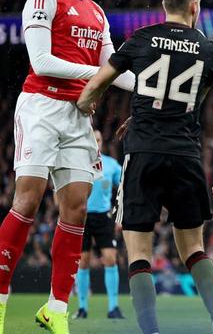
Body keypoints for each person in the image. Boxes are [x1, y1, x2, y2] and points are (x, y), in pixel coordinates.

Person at [76, 0, 213, 334]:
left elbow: (98, 83)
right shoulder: (207, 47)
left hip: (143, 151)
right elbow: (195, 98)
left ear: (164, 4)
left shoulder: (141, 39)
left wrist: (83, 107)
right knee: (194, 249)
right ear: (194, 6)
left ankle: (151, 331)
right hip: (185, 154)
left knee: (139, 255)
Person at [0, 0, 134, 334]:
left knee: (76, 208)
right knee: (27, 201)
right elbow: (42, 61)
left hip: (78, 116)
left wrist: (153, 89)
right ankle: (1, 299)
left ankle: (56, 309)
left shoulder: (98, 13)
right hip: (41, 107)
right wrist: (98, 75)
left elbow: (115, 70)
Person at [73, 130, 125, 320]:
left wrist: (120, 214)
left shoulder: (110, 165)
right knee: (83, 261)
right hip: (82, 217)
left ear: (102, 141)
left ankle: (113, 307)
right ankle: (82, 308)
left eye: (98, 140)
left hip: (103, 217)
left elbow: (124, 186)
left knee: (110, 259)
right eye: (93, 140)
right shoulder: (77, 163)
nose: (96, 143)